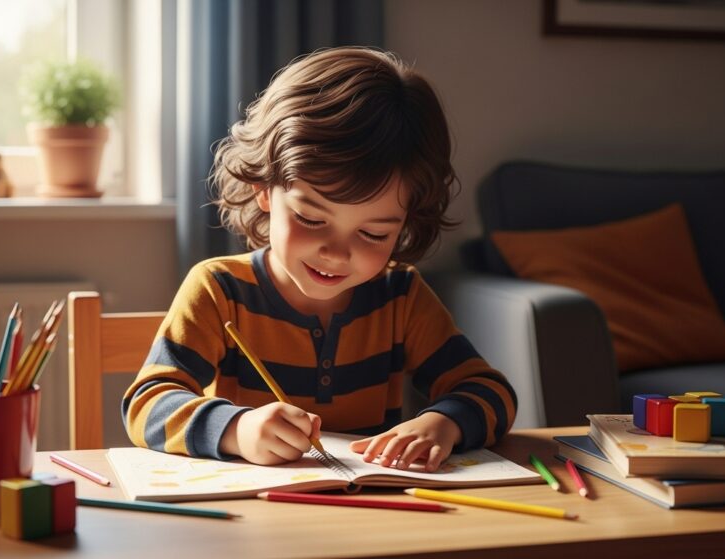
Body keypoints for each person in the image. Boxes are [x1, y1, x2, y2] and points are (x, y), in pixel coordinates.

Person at [123, 47, 516, 473]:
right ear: (264, 188)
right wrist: (238, 428)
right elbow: (147, 404)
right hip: (252, 516)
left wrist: (444, 423)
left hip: (376, 519)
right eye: (311, 218)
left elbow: (490, 391)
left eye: (374, 233)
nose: (336, 252)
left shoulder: (400, 297)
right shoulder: (220, 290)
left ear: (406, 221)